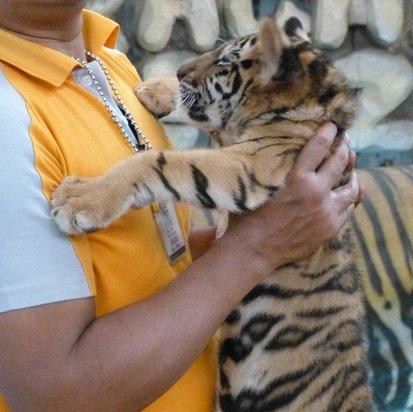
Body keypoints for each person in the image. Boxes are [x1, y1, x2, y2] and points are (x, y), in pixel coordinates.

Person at [0, 2, 364, 410]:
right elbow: (56, 396)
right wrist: (258, 246)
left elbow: (145, 258)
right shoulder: (6, 114)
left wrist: (286, 227)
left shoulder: (107, 61)